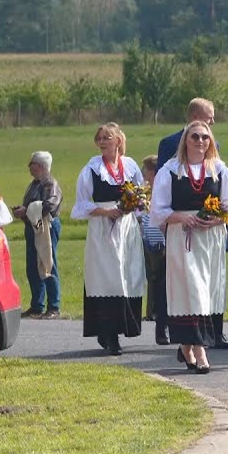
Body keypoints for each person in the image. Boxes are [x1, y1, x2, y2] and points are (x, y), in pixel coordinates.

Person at [151, 121, 228, 374]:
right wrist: (181, 217)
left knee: (204, 291)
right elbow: (157, 210)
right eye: (195, 137)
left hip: (210, 239)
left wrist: (216, 220)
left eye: (205, 138)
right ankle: (200, 350)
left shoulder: (219, 169)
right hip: (182, 236)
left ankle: (186, 346)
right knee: (192, 289)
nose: (200, 141)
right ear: (185, 140)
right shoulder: (171, 170)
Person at [71, 123, 145, 355]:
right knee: (107, 276)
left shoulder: (130, 166)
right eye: (100, 138)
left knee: (127, 274)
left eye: (107, 137)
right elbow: (81, 203)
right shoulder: (92, 169)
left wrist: (134, 206)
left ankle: (124, 327)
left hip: (126, 228)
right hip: (103, 229)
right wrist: (105, 212)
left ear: (118, 141)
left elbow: (142, 193)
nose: (102, 141)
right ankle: (107, 332)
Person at [11, 151, 62, 319]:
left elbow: (50, 206)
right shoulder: (35, 183)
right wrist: (23, 210)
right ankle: (37, 306)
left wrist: (27, 210)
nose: (29, 167)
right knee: (33, 266)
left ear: (39, 165)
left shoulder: (50, 184)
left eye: (31, 163)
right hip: (33, 228)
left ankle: (53, 307)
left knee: (48, 263)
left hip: (46, 228)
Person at [140, 155, 170, 345]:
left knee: (159, 279)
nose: (143, 173)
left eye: (146, 169)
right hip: (149, 239)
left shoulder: (161, 189)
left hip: (161, 242)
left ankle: (157, 313)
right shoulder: (146, 190)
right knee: (152, 277)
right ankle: (151, 311)